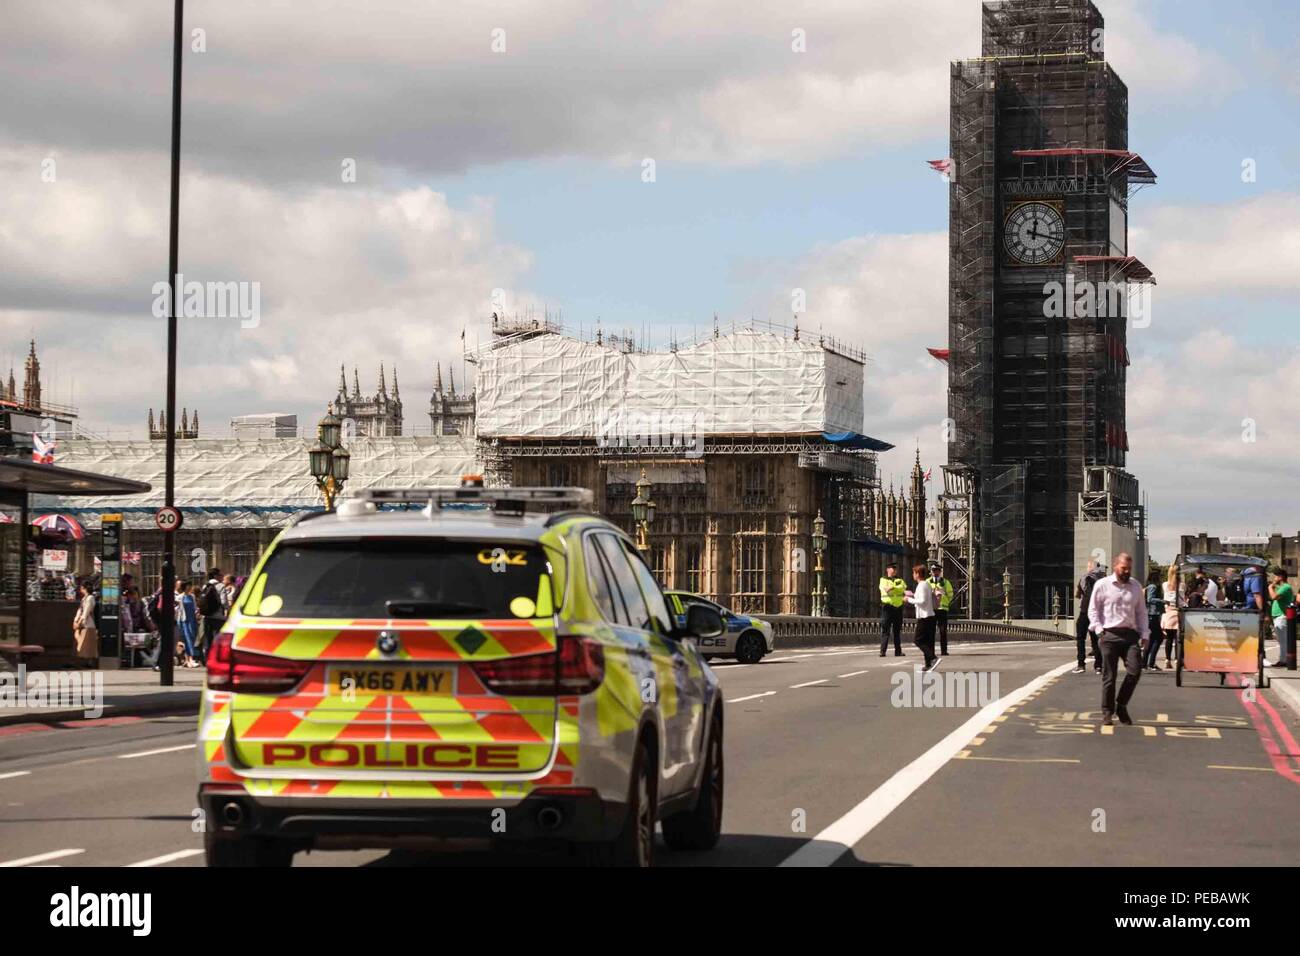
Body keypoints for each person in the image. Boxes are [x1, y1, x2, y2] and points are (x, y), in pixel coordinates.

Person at [1088, 552, 1148, 726]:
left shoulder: (1136, 586)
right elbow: (1093, 609)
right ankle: (1107, 712)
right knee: (1110, 676)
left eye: (1129, 569)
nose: (1126, 571)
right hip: (1109, 634)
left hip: (1130, 635)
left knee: (1135, 671)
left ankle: (1121, 704)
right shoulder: (1102, 585)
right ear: (1115, 566)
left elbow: (1141, 613)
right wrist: (1099, 630)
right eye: (1123, 568)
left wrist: (1145, 634)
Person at [906, 564, 940, 671]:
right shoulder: (926, 585)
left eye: (914, 573)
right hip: (929, 616)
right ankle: (928, 664)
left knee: (918, 640)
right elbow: (924, 598)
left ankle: (933, 658)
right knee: (928, 641)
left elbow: (922, 601)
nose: (913, 575)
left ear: (917, 574)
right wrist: (912, 595)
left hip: (925, 617)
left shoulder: (922, 585)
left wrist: (909, 600)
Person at [1074, 559, 1106, 674]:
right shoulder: (1102, 580)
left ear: (1090, 567)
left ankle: (1081, 664)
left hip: (1085, 611)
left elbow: (1078, 595)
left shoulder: (1084, 578)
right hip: (1097, 612)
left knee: (1080, 638)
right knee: (1096, 639)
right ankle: (1098, 666)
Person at [1265, 569, 1294, 668]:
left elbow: (1274, 597)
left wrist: (1270, 587)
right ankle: (1284, 659)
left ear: (1281, 577)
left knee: (1283, 640)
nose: (1274, 578)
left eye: (1276, 576)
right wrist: (1273, 586)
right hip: (1278, 616)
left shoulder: (1285, 587)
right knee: (1281, 640)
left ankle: (1283, 660)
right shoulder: (1280, 587)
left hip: (1282, 616)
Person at [198, 568, 227, 662]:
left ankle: (207, 659)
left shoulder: (205, 586)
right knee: (218, 638)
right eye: (219, 575)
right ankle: (216, 658)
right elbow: (224, 602)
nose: (221, 576)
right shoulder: (221, 586)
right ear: (215, 576)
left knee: (208, 638)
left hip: (207, 616)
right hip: (218, 617)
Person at [878, 562, 906, 657]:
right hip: (887, 607)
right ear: (887, 569)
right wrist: (895, 588)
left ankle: (898, 651)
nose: (894, 570)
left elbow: (903, 589)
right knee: (885, 630)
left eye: (895, 568)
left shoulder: (900, 580)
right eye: (892, 568)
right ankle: (883, 651)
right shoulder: (883, 579)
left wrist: (892, 587)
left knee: (897, 631)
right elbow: (885, 589)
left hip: (898, 607)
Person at [927, 561, 954, 657]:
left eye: (937, 570)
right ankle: (931, 651)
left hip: (942, 609)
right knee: (930, 631)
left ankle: (944, 650)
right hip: (931, 609)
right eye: (934, 570)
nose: (935, 572)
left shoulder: (945, 582)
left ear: (940, 571)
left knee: (943, 631)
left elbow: (950, 594)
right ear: (931, 571)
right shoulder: (927, 582)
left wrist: (944, 599)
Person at [1157, 564, 1180, 670]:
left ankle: (1167, 659)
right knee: (1178, 638)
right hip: (1178, 612)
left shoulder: (1165, 585)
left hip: (1167, 612)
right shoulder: (1182, 585)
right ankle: (1177, 659)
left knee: (1169, 639)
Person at [71, 582, 98, 667]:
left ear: (84, 588)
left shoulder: (90, 598)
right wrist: (75, 620)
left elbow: (86, 611)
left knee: (87, 644)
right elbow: (80, 610)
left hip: (87, 624)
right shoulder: (84, 599)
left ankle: (88, 663)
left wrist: (79, 621)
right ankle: (82, 662)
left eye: (81, 587)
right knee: (80, 643)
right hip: (82, 623)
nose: (80, 589)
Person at [176, 580, 200, 668]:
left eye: (190, 586)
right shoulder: (180, 597)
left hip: (192, 619)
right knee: (188, 639)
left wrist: (197, 612)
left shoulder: (192, 596)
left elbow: (195, 607)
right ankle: (191, 659)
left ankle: (187, 660)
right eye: (188, 586)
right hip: (184, 620)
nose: (190, 587)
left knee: (192, 638)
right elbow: (177, 609)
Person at [1143, 570, 1164, 669]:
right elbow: (1150, 599)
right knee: (1158, 638)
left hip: (1151, 615)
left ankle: (1145, 663)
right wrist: (1162, 601)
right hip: (1152, 614)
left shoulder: (1149, 586)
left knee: (1151, 639)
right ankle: (1150, 663)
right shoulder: (1153, 587)